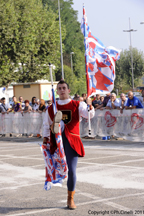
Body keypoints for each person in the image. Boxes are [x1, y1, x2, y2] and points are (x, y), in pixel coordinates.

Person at [43, 80, 94, 210]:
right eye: (59, 88)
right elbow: (45, 125)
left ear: (68, 90)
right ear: (57, 91)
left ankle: (70, 198)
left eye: (64, 88)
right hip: (56, 142)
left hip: (72, 141)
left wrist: (90, 107)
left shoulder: (78, 104)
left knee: (71, 170)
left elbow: (89, 115)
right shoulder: (51, 108)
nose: (62, 90)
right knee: (56, 169)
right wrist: (45, 139)